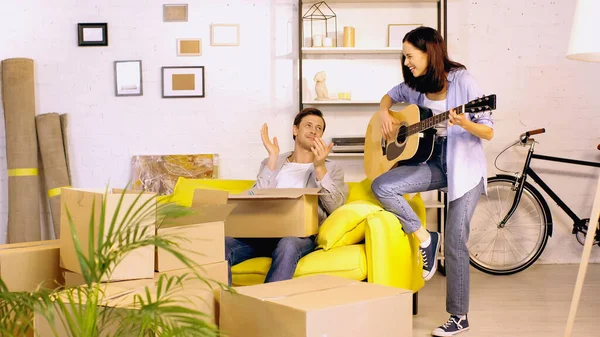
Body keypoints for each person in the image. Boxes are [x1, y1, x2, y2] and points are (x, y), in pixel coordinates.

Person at [371, 27, 494, 336]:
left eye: (410, 56)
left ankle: (458, 317)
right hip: (433, 161)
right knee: (382, 185)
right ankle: (426, 239)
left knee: (455, 241)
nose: (407, 62)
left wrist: (466, 122)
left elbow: (489, 131)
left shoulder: (463, 81)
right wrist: (385, 112)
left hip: (464, 169)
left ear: (430, 53)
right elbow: (390, 96)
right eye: (404, 57)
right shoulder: (415, 86)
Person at [225, 108, 348, 286]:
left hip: (298, 235)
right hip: (261, 233)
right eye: (308, 125)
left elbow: (335, 206)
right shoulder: (272, 161)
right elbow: (253, 195)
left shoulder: (332, 168)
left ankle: (266, 309)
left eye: (319, 128)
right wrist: (273, 159)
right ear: (295, 130)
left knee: (288, 245)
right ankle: (221, 305)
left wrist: (320, 167)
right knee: (221, 245)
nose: (314, 130)